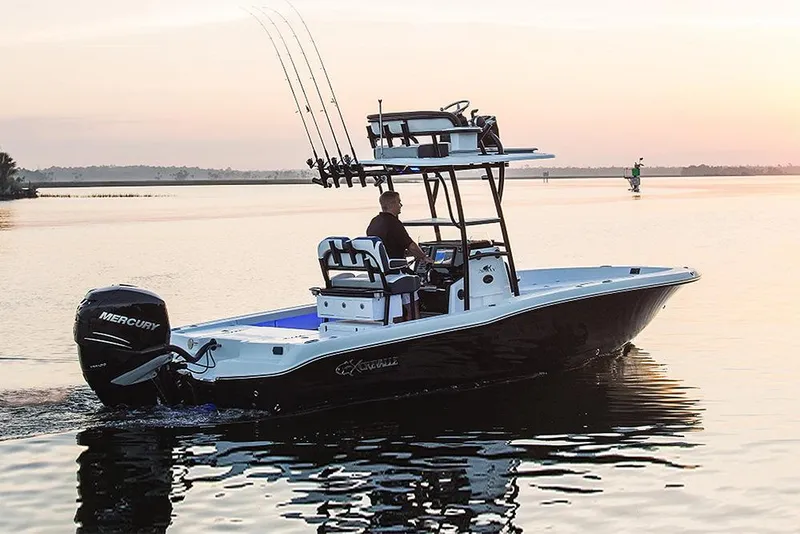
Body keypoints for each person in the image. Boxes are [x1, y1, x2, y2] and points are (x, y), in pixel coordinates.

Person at [366, 190, 433, 321]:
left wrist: (406, 253)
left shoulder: (374, 222)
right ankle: (414, 325)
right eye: (399, 202)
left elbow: (385, 247)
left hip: (378, 272)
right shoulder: (394, 223)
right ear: (392, 204)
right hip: (395, 272)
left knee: (395, 305)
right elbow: (412, 246)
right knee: (412, 304)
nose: (401, 205)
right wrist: (424, 257)